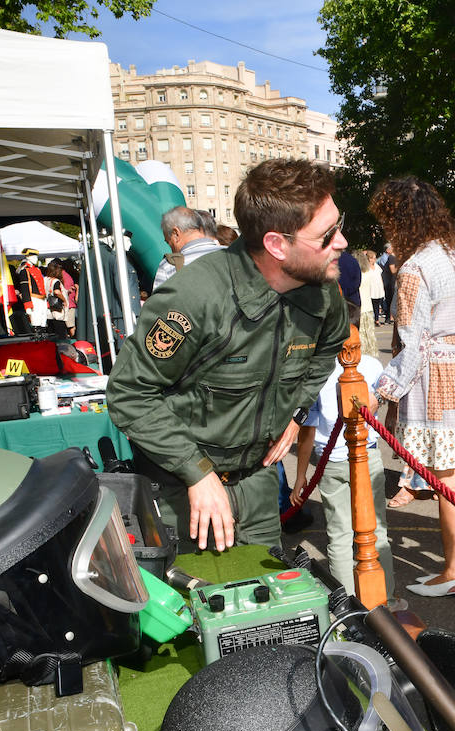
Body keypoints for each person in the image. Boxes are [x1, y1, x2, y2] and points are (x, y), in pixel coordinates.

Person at [106, 158, 350, 553]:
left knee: (269, 607)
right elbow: (129, 395)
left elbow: (329, 346)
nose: (340, 242)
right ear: (276, 244)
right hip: (183, 491)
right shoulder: (196, 297)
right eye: (326, 235)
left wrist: (297, 411)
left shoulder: (320, 293)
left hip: (258, 485)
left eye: (339, 227)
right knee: (195, 608)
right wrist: (197, 473)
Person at [372, 177, 455, 598]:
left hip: (437, 375)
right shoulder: (454, 255)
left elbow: (414, 342)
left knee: (446, 478)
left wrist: (381, 391)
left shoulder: (415, 267)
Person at [292, 301, 395, 600]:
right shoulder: (372, 365)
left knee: (341, 535)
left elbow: (307, 430)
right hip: (349, 458)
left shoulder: (316, 372)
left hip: (335, 460)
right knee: (374, 531)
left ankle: (349, 603)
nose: (351, 355)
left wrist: (301, 476)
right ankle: (383, 598)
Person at [153, 206, 222, 291]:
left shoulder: (169, 266)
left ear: (176, 234)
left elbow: (159, 304)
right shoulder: (233, 255)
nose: (171, 248)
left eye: (168, 242)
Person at [360, 248, 386, 327]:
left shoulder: (377, 267)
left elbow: (380, 277)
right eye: (372, 258)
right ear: (368, 259)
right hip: (370, 288)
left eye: (374, 258)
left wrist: (382, 287)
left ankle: (377, 320)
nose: (374, 260)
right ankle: (370, 320)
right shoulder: (366, 268)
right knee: (370, 304)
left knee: (377, 304)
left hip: (377, 288)